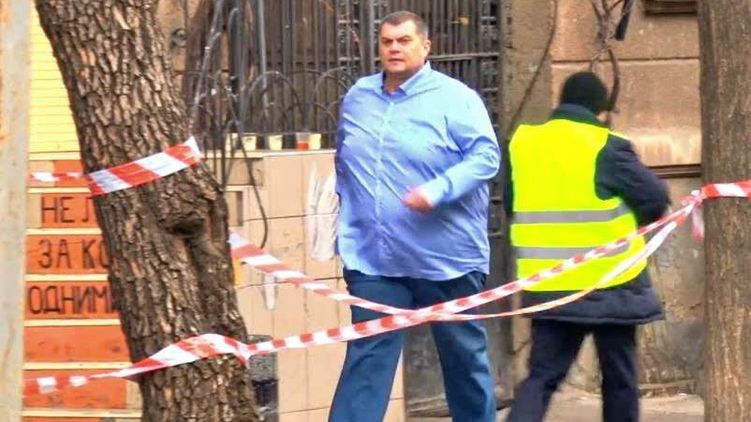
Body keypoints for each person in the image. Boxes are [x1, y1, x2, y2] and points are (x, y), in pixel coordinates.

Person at [331, 10, 500, 422]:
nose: (394, 48)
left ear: (426, 47)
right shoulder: (358, 98)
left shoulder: (456, 99)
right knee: (366, 361)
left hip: (445, 259)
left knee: (464, 361)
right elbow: (345, 160)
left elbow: (486, 157)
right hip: (375, 260)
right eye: (387, 41)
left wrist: (438, 190)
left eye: (404, 41)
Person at [504, 71, 670, 422]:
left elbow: (510, 204)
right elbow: (655, 197)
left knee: (541, 377)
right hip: (611, 282)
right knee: (619, 378)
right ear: (601, 110)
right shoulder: (606, 145)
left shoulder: (524, 143)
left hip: (550, 282)